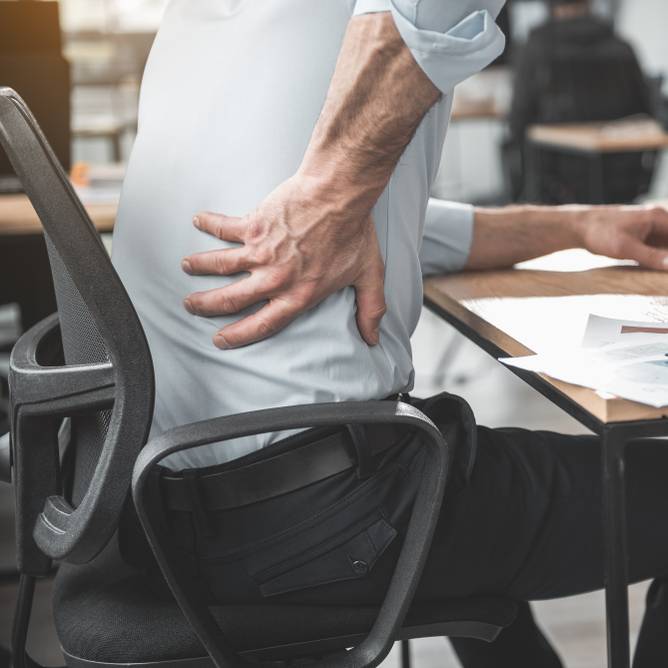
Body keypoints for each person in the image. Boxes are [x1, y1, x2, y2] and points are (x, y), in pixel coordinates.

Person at [111, 2, 668, 666]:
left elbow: (368, 225)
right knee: (461, 484)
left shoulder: (208, 30)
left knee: (467, 488)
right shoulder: (348, 67)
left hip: (162, 509)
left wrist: (578, 226)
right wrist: (331, 193)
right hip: (330, 518)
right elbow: (412, 29)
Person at [507, 0, 654, 203]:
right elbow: (648, 109)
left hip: (558, 184)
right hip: (624, 180)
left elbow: (518, 119)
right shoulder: (622, 47)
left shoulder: (536, 48)